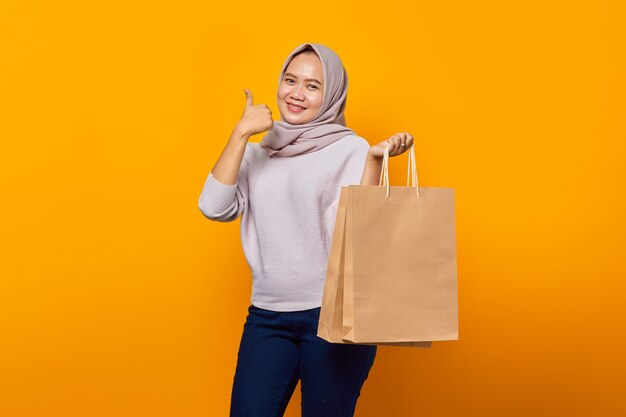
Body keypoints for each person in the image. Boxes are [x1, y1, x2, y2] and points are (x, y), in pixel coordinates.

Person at [198, 43, 414, 417]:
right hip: (267, 317)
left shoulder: (350, 149)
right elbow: (213, 207)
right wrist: (239, 135)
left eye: (312, 86)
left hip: (333, 318)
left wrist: (375, 163)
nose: (297, 93)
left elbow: (359, 232)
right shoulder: (257, 152)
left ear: (330, 95)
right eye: (290, 80)